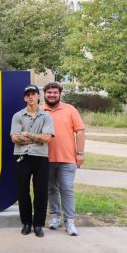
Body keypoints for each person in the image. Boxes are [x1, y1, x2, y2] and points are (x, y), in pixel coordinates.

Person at [11, 85, 55, 237]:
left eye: (33, 94)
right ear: (24, 98)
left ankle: (38, 225)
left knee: (41, 192)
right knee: (23, 191)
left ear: (38, 96)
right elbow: (15, 138)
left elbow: (47, 138)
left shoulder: (46, 117)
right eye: (28, 95)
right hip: (22, 157)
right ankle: (27, 223)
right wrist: (37, 138)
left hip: (41, 158)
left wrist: (28, 135)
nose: (30, 97)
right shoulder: (18, 116)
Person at [42, 82, 85, 236]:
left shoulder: (70, 109)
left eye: (55, 92)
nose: (52, 95)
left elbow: (80, 131)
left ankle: (70, 221)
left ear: (60, 94)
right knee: (51, 189)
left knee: (66, 188)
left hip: (67, 158)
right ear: (44, 94)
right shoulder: (40, 110)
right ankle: (55, 217)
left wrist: (80, 153)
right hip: (45, 159)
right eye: (49, 92)